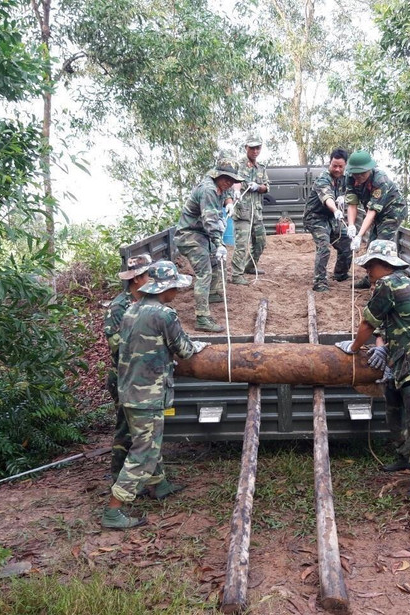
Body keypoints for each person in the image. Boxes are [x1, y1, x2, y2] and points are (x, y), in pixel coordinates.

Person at [334, 240, 410, 521]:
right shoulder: (400, 284)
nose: (367, 271)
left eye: (370, 266)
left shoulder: (390, 284)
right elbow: (386, 326)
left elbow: (368, 323)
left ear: (382, 265)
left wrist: (354, 349)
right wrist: (381, 346)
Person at [103, 260, 210, 529]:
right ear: (166, 288)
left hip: (130, 389)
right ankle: (114, 510)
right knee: (144, 451)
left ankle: (158, 485)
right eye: (176, 287)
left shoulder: (132, 310)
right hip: (147, 394)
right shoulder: (164, 315)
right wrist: (200, 345)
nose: (178, 293)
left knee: (149, 440)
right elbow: (184, 350)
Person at [174, 158, 243, 332]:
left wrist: (228, 204)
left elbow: (225, 192)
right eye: (227, 178)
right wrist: (219, 244)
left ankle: (212, 294)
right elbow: (211, 222)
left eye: (233, 180)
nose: (230, 183)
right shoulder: (208, 190)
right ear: (218, 174)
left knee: (216, 262)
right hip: (189, 235)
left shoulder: (218, 185)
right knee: (204, 271)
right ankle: (202, 318)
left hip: (201, 233)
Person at [103, 254, 152, 480]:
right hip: (124, 376)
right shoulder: (119, 306)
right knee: (125, 428)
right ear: (136, 279)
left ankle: (149, 478)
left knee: (143, 429)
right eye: (147, 275)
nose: (150, 278)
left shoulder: (146, 301)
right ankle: (117, 476)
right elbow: (117, 345)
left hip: (139, 376)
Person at [344, 150, 408, 289]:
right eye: (356, 173)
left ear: (370, 169)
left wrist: (360, 235)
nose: (359, 176)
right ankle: (370, 279)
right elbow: (352, 203)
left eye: (362, 173)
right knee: (372, 247)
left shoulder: (380, 180)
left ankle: (387, 284)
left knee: (382, 247)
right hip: (375, 212)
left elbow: (372, 211)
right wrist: (351, 225)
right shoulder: (349, 178)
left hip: (392, 212)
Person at [303, 148, 353, 292]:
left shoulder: (346, 178)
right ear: (329, 163)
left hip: (332, 218)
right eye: (334, 165)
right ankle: (319, 282)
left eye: (340, 166)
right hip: (316, 217)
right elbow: (327, 198)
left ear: (345, 166)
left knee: (347, 242)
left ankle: (340, 274)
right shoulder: (323, 178)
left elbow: (352, 194)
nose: (337, 169)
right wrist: (336, 209)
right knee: (324, 245)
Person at [230, 133, 270, 285]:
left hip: (257, 213)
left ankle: (249, 266)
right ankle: (236, 275)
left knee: (260, 242)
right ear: (246, 147)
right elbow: (236, 181)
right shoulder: (238, 166)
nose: (255, 151)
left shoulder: (261, 168)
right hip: (242, 213)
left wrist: (258, 187)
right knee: (241, 244)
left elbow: (267, 187)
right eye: (252, 148)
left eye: (258, 148)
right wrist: (236, 191)